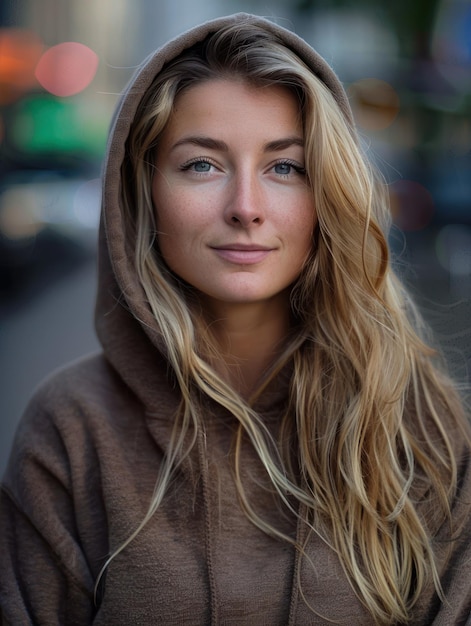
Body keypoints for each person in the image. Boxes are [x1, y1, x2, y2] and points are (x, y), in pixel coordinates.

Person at [0, 12, 470, 625]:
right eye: (203, 164)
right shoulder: (70, 431)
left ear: (327, 189)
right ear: (145, 189)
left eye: (285, 167)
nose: (246, 208)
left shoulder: (418, 425)